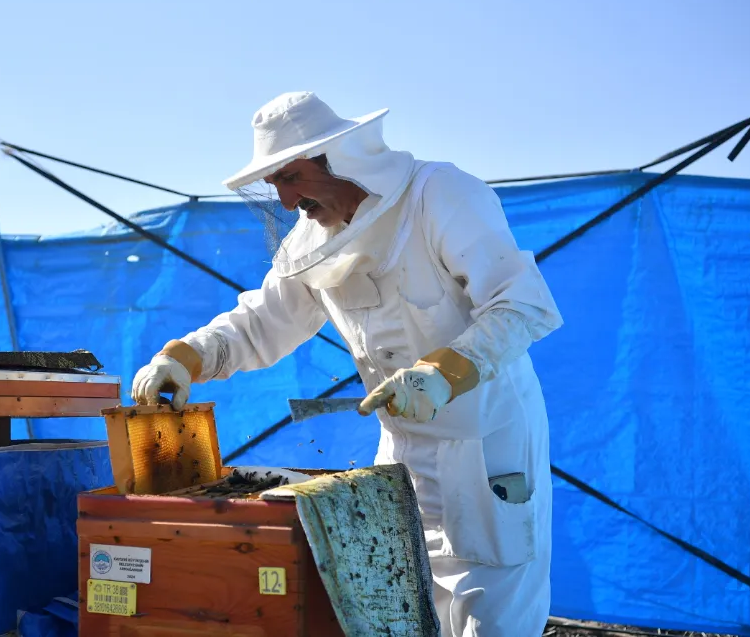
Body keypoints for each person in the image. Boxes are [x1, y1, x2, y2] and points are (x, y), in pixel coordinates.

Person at [131, 91, 563, 636]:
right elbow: (260, 321)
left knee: (489, 618)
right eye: (275, 186)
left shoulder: (441, 194)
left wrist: (441, 374)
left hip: (486, 449)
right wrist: (183, 358)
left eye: (292, 177)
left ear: (338, 158)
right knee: (400, 612)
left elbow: (522, 305)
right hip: (400, 452)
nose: (286, 200)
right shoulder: (309, 241)